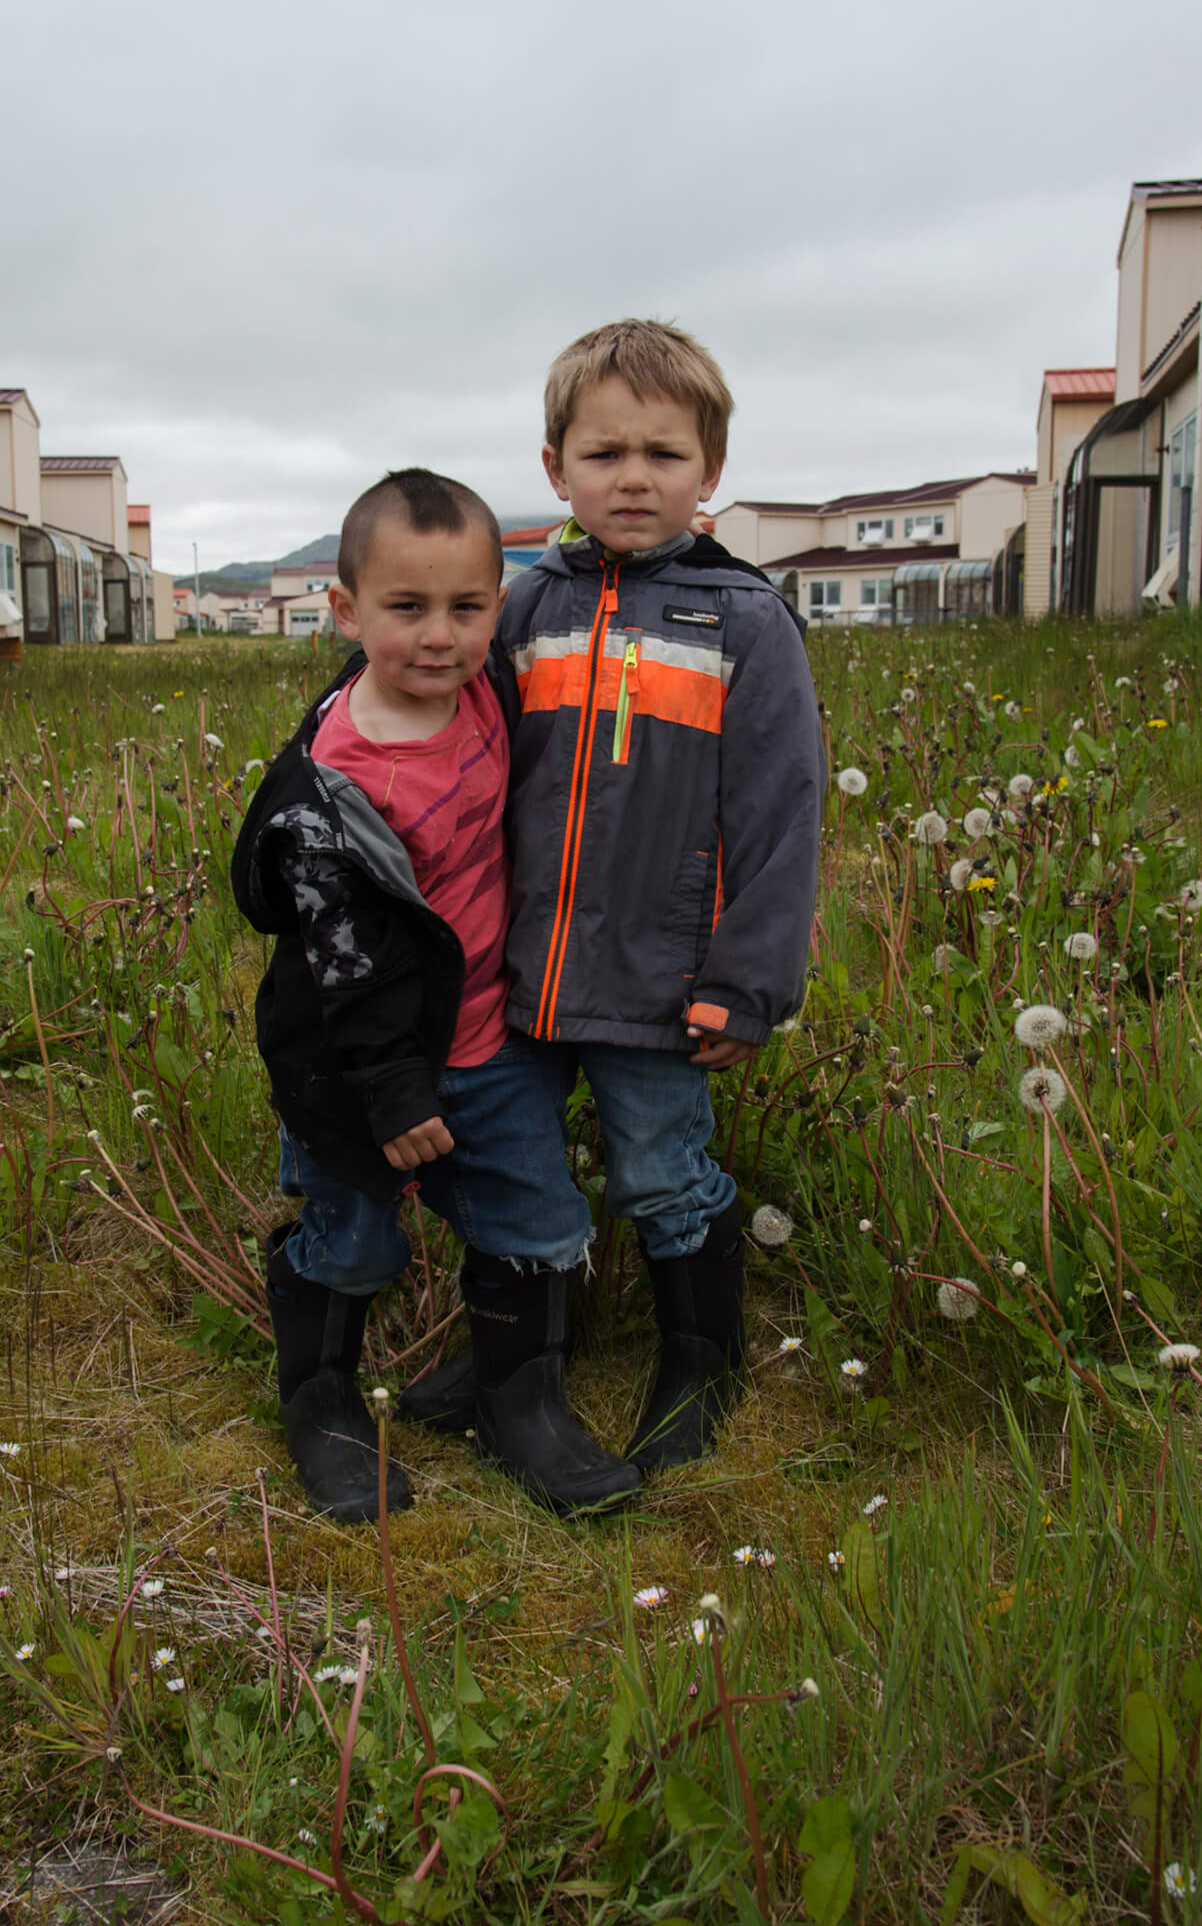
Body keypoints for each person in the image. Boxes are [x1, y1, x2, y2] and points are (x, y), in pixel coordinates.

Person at [401, 321, 825, 1472]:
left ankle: (701, 1360)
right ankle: (523, 1350)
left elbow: (784, 819)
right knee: (514, 1162)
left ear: (711, 472)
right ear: (555, 471)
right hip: (516, 967)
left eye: (663, 453)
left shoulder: (745, 622)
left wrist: (747, 983)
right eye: (603, 454)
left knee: (659, 1169)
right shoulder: (522, 611)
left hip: (664, 972)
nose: (633, 477)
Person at [230, 468, 641, 1524]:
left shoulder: (489, 689)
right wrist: (393, 1089)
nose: (439, 635)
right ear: (345, 609)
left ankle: (516, 1402)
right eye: (405, 608)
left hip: (487, 1041)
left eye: (466, 607)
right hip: (362, 1063)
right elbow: (345, 965)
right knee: (356, 1236)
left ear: (497, 609)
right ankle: (320, 1400)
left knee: (538, 1222)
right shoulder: (333, 786)